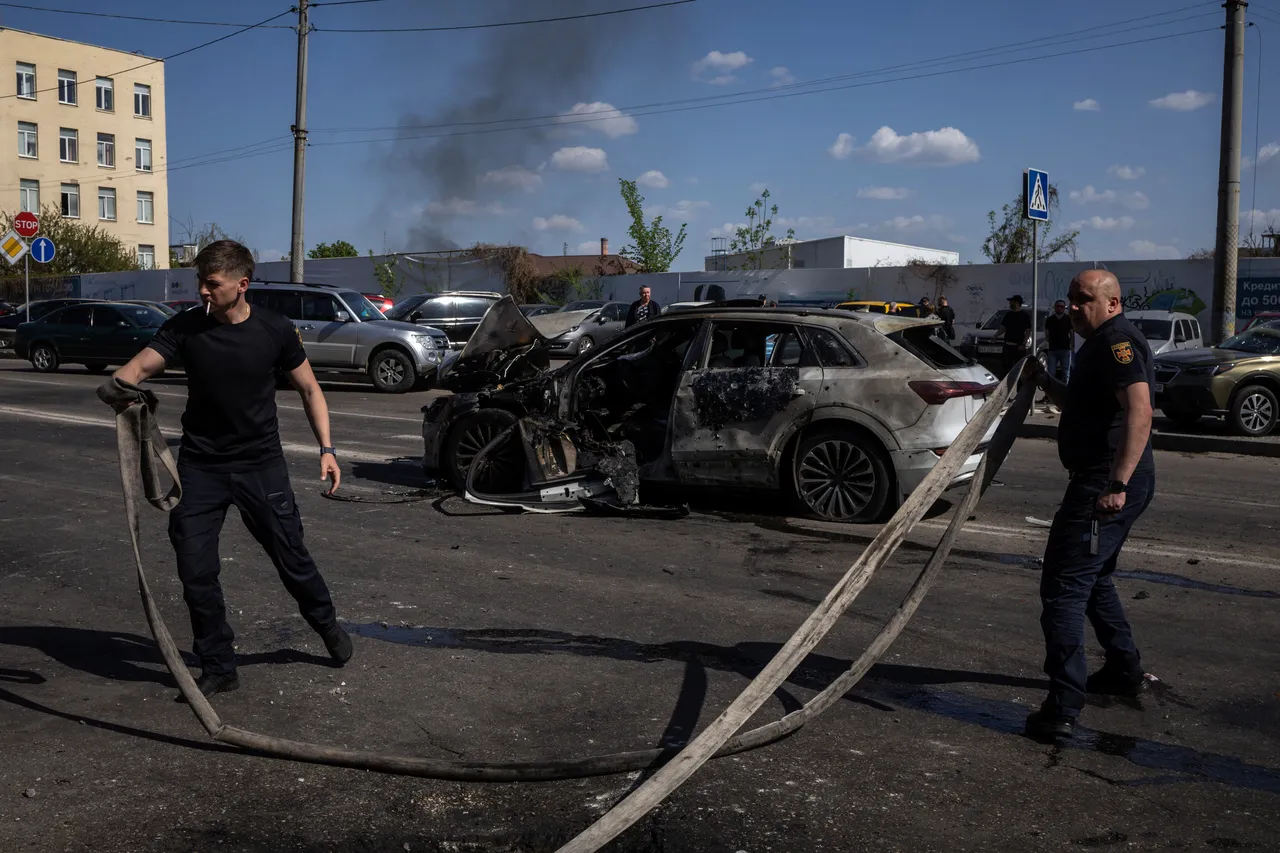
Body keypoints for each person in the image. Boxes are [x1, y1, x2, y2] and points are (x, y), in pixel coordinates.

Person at [105, 240, 352, 700]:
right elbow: (137, 369)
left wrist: (327, 448)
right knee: (195, 569)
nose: (203, 290)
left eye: (212, 283)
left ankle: (326, 623)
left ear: (242, 284)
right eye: (200, 281)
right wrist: (119, 387)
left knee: (292, 559)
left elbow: (310, 390)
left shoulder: (275, 329)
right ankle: (219, 665)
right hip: (201, 467)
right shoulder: (185, 327)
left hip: (261, 465)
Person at [1025, 269, 1156, 740]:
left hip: (1104, 483)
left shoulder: (1116, 342)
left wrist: (1116, 483)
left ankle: (1062, 708)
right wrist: (1044, 380)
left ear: (1112, 303)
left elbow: (1140, 409)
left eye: (1084, 299)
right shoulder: (1098, 344)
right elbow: (1084, 406)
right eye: (1071, 299)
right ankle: (1123, 670)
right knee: (1094, 577)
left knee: (1063, 587)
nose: (1074, 307)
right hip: (1107, 479)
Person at [1043, 299, 1076, 412]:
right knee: (1051, 373)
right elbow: (1047, 333)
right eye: (1058, 306)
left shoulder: (1068, 319)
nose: (1059, 308)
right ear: (1055, 307)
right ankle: (1049, 396)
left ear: (1064, 308)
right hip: (1053, 349)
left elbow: (1072, 333)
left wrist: (1072, 345)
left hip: (1065, 349)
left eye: (1062, 306)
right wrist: (1048, 341)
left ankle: (1064, 395)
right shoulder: (1050, 320)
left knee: (1065, 373)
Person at [998, 295, 1032, 377]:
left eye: (1011, 302)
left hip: (1018, 347)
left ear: (1017, 303)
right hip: (1007, 346)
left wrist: (1023, 344)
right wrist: (995, 335)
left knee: (1019, 368)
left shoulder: (1025, 316)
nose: (1010, 303)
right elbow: (1003, 328)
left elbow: (1028, 331)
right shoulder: (1008, 315)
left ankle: (1018, 383)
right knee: (1006, 368)